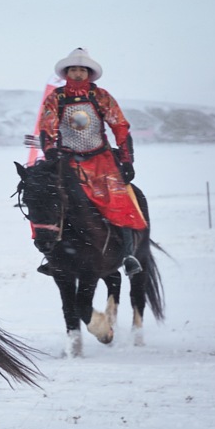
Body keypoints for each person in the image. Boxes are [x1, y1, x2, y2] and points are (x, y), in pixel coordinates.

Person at [35, 47, 146, 277]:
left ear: (88, 73)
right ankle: (54, 255)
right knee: (57, 201)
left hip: (101, 161)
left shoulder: (101, 96)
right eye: (73, 69)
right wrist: (50, 152)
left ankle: (127, 255)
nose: (77, 74)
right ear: (66, 73)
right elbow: (47, 128)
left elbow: (120, 127)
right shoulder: (56, 98)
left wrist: (127, 160)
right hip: (68, 163)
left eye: (81, 70)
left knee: (119, 202)